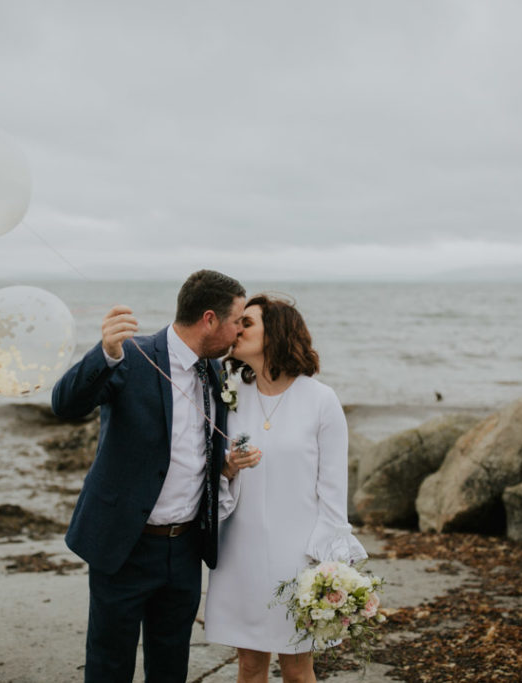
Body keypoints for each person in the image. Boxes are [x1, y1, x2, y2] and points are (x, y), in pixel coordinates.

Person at [51, 269, 261, 682]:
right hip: (125, 546)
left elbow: (191, 452)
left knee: (170, 666)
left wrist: (225, 466)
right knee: (109, 665)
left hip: (183, 549)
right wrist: (105, 352)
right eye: (237, 320)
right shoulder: (132, 355)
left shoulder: (214, 372)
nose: (239, 331)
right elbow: (65, 404)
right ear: (209, 319)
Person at [204, 294, 366, 683]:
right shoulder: (231, 393)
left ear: (275, 333)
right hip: (239, 551)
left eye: (247, 323)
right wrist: (226, 467)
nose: (235, 329)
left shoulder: (320, 400)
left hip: (297, 556)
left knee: (296, 669)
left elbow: (332, 494)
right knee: (249, 664)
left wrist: (324, 562)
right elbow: (215, 470)